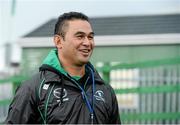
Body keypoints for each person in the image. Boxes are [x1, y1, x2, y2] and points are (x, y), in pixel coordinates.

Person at [5, 12, 121, 124]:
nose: (87, 42)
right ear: (58, 41)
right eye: (80, 36)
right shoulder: (34, 89)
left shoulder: (105, 90)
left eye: (90, 37)